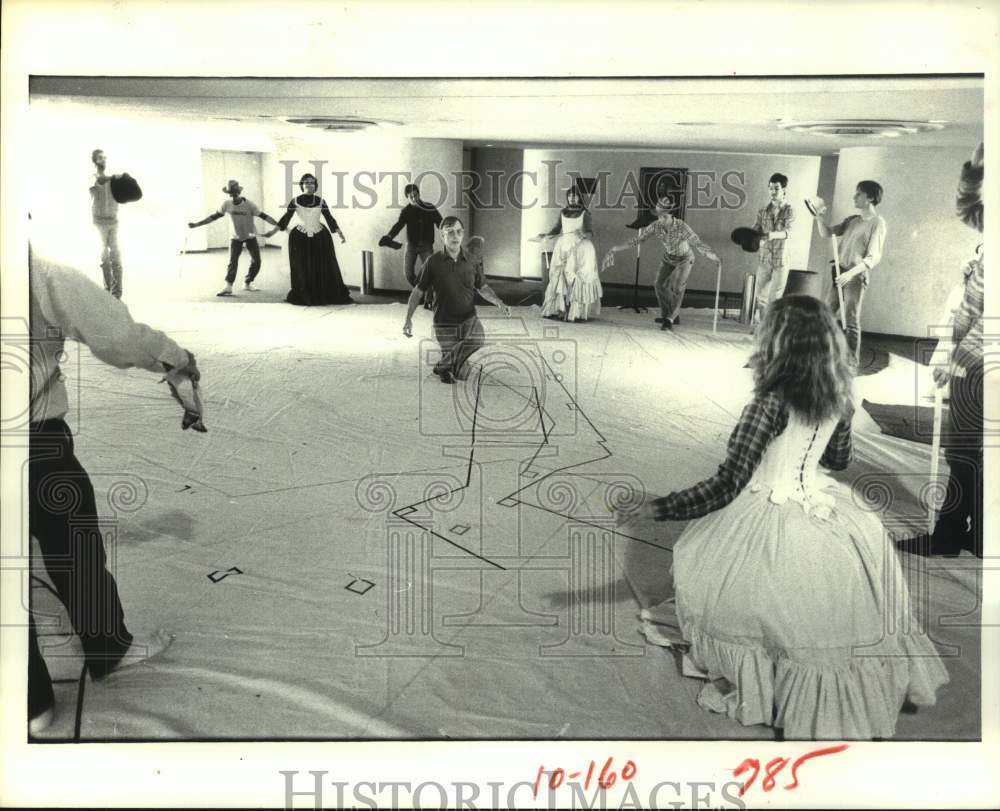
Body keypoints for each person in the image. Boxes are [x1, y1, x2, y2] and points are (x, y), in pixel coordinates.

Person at [621, 295, 948, 740]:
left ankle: (776, 685)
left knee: (744, 593)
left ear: (777, 342)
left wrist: (658, 508)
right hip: (821, 502)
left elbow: (726, 485)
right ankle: (838, 693)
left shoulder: (769, 403)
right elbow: (838, 457)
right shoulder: (839, 397)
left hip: (769, 508)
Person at [26, 248, 203, 735]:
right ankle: (108, 647)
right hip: (34, 444)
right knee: (74, 548)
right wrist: (175, 357)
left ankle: (30, 702)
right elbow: (116, 334)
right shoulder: (36, 272)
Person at [896, 143, 984, 558]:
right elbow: (969, 209)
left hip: (982, 362)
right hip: (979, 360)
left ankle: (958, 533)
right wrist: (976, 166)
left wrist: (956, 359)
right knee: (970, 450)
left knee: (967, 450)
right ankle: (968, 533)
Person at [402, 217, 511, 384]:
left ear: (463, 234)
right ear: (442, 235)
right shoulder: (433, 261)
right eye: (450, 232)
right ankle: (451, 361)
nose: (455, 236)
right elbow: (418, 292)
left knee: (478, 339)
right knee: (462, 374)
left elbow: (483, 288)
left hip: (468, 319)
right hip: (444, 324)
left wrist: (499, 302)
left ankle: (442, 365)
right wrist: (408, 319)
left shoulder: (472, 261)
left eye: (459, 231)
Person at [602, 196, 722, 330]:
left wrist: (713, 256)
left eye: (664, 217)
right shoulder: (656, 226)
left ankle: (670, 319)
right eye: (659, 216)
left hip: (685, 259)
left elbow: (697, 243)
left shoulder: (682, 227)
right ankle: (668, 315)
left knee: (677, 288)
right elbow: (638, 240)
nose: (661, 220)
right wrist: (616, 248)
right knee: (659, 285)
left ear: (671, 215)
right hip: (668, 258)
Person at [812, 180, 887, 364]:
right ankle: (823, 355)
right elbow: (827, 233)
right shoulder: (853, 220)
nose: (854, 197)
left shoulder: (877, 223)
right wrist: (818, 217)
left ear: (870, 198)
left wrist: (850, 274)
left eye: (858, 194)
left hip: (854, 276)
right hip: (840, 272)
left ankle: (851, 361)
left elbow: (872, 258)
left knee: (851, 318)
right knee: (827, 314)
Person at [263, 173, 354, 306]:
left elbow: (329, 218)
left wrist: (339, 233)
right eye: (306, 182)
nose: (308, 184)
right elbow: (285, 219)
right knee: (303, 267)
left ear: (315, 186)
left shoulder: (321, 201)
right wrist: (272, 232)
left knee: (321, 266)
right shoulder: (294, 201)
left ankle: (322, 294)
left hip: (320, 238)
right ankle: (305, 294)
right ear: (302, 185)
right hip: (300, 239)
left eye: (311, 182)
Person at [188, 179, 280, 297]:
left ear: (239, 193)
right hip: (235, 237)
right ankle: (228, 286)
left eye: (235, 193)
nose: (233, 195)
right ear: (229, 194)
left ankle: (247, 282)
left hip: (250, 235)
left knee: (256, 261)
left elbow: (264, 216)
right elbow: (214, 217)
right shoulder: (226, 204)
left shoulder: (249, 205)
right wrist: (197, 224)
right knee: (233, 261)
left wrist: (278, 225)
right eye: (231, 193)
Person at [537, 188, 603, 322]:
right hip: (563, 246)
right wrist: (547, 234)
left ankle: (575, 312)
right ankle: (561, 310)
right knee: (560, 275)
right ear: (567, 198)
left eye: (575, 196)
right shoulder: (563, 212)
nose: (572, 198)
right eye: (570, 196)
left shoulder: (585, 213)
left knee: (575, 277)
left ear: (579, 198)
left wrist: (583, 234)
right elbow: (557, 228)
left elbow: (590, 232)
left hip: (579, 247)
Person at [381, 183, 443, 309]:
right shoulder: (406, 211)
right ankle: (422, 292)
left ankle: (428, 300)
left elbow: (440, 222)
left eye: (415, 195)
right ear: (407, 198)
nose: (414, 199)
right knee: (408, 273)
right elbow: (398, 225)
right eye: (411, 197)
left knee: (429, 272)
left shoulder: (429, 207)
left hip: (426, 245)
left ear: (419, 194)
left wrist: (446, 233)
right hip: (411, 245)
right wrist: (389, 237)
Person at [752, 172, 795, 324]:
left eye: (776, 188)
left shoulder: (790, 210)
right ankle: (762, 328)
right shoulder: (762, 211)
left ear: (784, 190)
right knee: (760, 297)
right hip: (765, 258)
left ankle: (773, 329)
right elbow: (756, 229)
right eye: (770, 188)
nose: (773, 192)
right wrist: (750, 236)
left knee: (775, 299)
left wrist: (771, 235)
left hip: (781, 259)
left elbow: (787, 232)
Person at [89, 149, 123, 299]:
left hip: (113, 221)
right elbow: (94, 188)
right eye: (100, 158)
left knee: (116, 258)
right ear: (94, 161)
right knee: (104, 259)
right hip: (99, 222)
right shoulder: (92, 178)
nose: (103, 160)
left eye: (105, 158)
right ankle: (107, 292)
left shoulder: (113, 180)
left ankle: (116, 295)